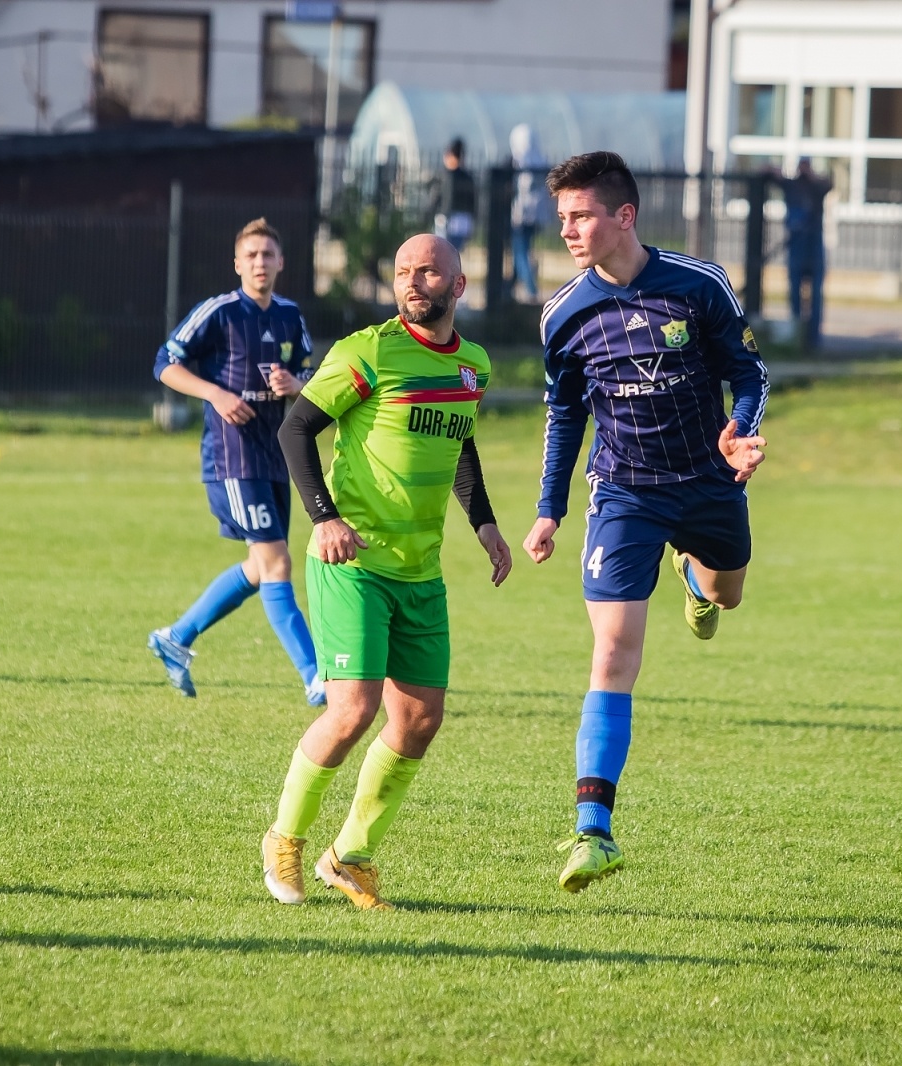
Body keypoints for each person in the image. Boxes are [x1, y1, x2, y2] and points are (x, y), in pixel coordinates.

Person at [523, 152, 769, 893]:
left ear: (623, 216)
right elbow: (564, 414)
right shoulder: (564, 315)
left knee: (727, 596)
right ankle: (593, 831)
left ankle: (693, 571)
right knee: (613, 654)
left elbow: (749, 373)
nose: (567, 229)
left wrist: (743, 429)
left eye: (581, 216)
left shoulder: (700, 285)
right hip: (624, 492)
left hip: (708, 480)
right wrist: (548, 510)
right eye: (562, 217)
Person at [262, 234, 513, 910]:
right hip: (353, 564)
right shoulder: (368, 352)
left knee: (420, 720)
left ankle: (349, 856)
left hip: (420, 570)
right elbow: (294, 429)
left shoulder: (473, 367)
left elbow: (458, 442)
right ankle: (283, 838)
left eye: (428, 271)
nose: (413, 281)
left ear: (458, 285)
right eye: (403, 271)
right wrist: (323, 517)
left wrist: (483, 522)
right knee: (352, 711)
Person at [148, 217, 324, 706]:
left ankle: (176, 637)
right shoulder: (220, 312)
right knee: (277, 562)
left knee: (258, 565)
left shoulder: (290, 315)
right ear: (237, 264)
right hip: (232, 456)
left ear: (281, 261)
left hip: (273, 453)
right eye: (251, 256)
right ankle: (315, 676)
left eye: (268, 255)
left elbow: (308, 371)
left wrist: (298, 385)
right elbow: (165, 362)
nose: (260, 263)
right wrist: (216, 394)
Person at [773, 158, 832, 348]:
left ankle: (813, 338)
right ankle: (797, 333)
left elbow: (828, 184)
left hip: (812, 243)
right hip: (798, 242)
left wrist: (812, 177)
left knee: (814, 293)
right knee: (795, 291)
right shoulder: (791, 186)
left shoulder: (817, 187)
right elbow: (771, 176)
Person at [509, 124, 548, 302]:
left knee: (520, 250)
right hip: (537, 214)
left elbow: (522, 189)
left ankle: (531, 288)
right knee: (524, 248)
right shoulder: (540, 160)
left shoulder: (521, 160)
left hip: (521, 214)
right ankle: (510, 285)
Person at [431, 138, 478, 248]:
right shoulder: (467, 177)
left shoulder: (446, 176)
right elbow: (473, 201)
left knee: (444, 250)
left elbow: (438, 197)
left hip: (447, 218)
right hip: (462, 220)